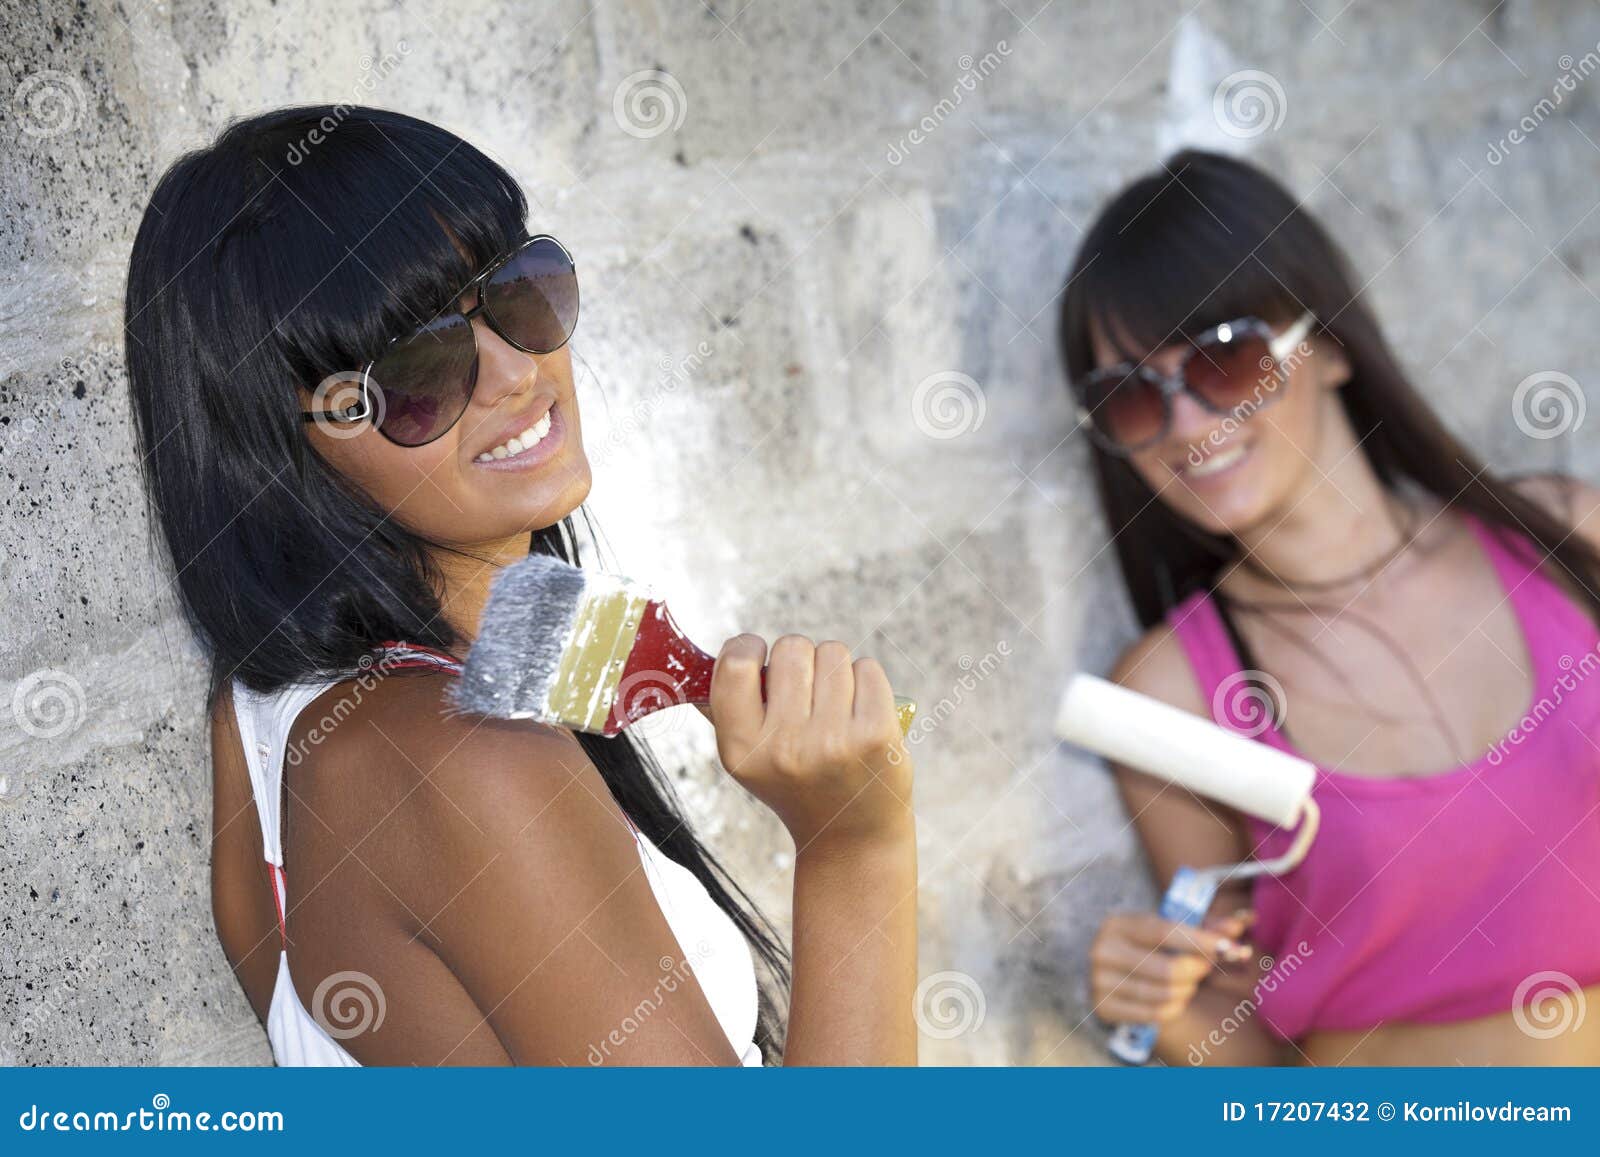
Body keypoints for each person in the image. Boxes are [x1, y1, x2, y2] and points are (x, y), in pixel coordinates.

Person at [124, 106, 917, 1066]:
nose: (513, 371)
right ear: (279, 450)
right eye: (416, 366)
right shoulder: (472, 766)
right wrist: (854, 847)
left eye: (517, 291)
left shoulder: (261, 707)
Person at [1064, 150, 1600, 1065]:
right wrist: (1164, 1008)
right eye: (1131, 399)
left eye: (1225, 359)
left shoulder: (1565, 537)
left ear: (1333, 345)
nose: (1187, 425)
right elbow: (1263, 1069)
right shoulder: (1170, 694)